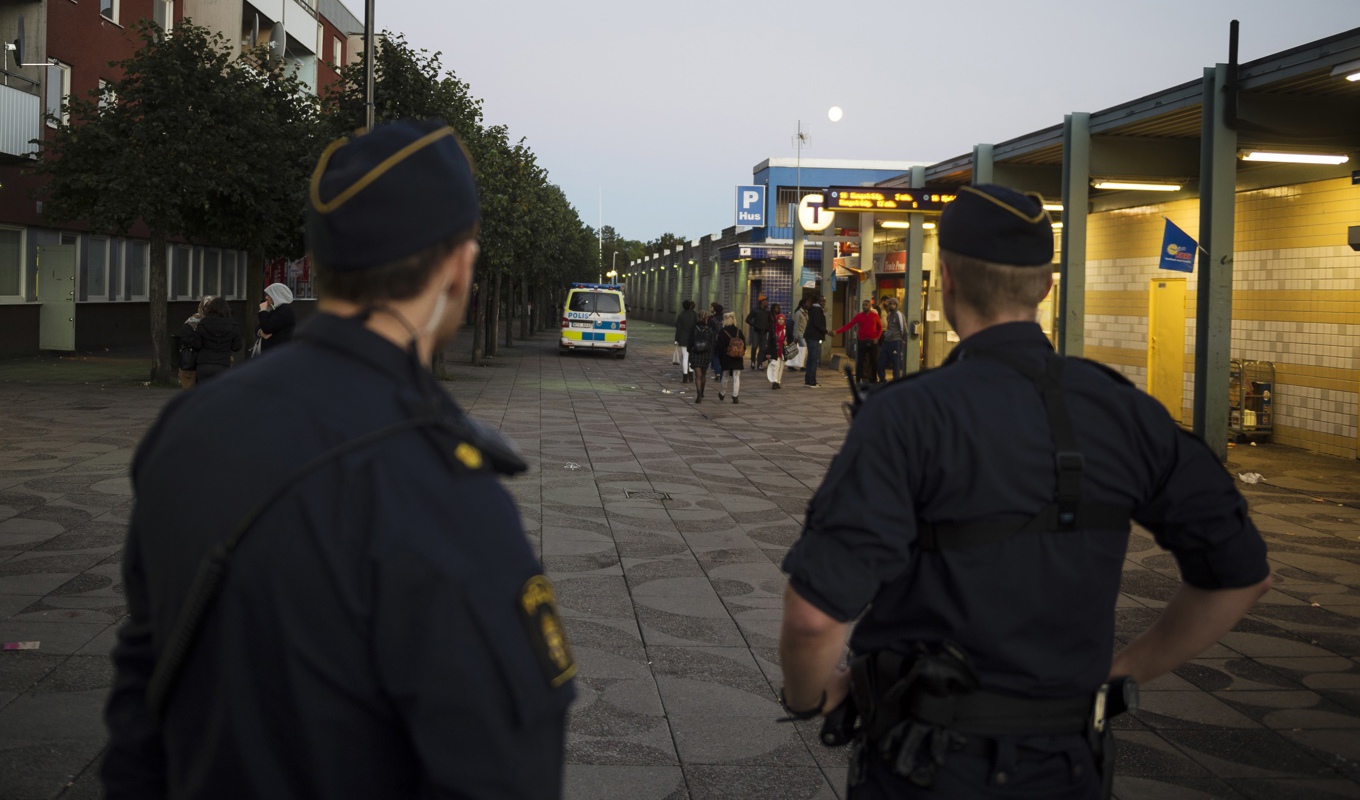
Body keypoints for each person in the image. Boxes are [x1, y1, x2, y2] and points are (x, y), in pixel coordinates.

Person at [103, 120, 575, 799]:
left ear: (320, 267)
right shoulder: (447, 493)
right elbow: (505, 772)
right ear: (457, 267)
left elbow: (137, 714)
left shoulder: (185, 427)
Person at [776, 184, 1271, 800]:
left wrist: (811, 697)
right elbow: (1241, 574)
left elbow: (811, 617)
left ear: (948, 279)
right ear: (1043, 287)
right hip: (1070, 768)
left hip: (924, 768)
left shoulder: (904, 416)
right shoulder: (1124, 410)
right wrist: (1121, 672)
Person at [186, 296, 242, 383]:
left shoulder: (203, 323)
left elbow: (196, 345)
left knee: (204, 393)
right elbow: (237, 347)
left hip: (204, 364)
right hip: (223, 364)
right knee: (219, 393)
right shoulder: (233, 324)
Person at [834, 298, 884, 384]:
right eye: (863, 305)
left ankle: (873, 378)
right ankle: (859, 378)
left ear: (870, 306)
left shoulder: (874, 316)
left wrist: (877, 337)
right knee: (861, 360)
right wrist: (837, 332)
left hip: (872, 341)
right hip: (862, 341)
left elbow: (880, 328)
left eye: (866, 305)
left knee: (873, 360)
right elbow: (849, 325)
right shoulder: (859, 316)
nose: (864, 307)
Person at [176, 296, 213, 389]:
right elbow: (186, 339)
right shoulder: (192, 322)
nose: (208, 310)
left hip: (200, 364)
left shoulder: (213, 322)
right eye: (206, 307)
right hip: (194, 363)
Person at [256, 282, 296, 353]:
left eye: (268, 295)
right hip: (272, 352)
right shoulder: (275, 309)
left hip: (279, 352)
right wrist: (260, 332)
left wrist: (263, 311)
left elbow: (267, 328)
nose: (266, 298)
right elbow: (259, 326)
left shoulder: (285, 311)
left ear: (276, 295)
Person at [714, 311, 745, 404]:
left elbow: (719, 347)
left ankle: (722, 393)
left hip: (726, 357)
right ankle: (735, 396)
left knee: (725, 375)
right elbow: (744, 344)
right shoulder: (739, 331)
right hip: (738, 357)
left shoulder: (722, 332)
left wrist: (720, 358)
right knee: (736, 376)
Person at [878, 296, 907, 381]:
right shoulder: (889, 315)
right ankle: (882, 379)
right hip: (887, 341)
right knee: (881, 361)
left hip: (896, 341)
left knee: (896, 363)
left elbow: (904, 329)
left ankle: (896, 381)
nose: (891, 305)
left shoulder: (899, 315)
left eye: (894, 304)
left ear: (897, 305)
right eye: (890, 303)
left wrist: (902, 339)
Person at [688, 310, 713, 403]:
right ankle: (702, 392)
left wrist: (689, 350)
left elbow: (690, 341)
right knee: (703, 374)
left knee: (697, 375)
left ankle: (698, 394)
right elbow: (712, 342)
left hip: (695, 353)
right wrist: (711, 354)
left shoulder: (694, 328)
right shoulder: (709, 329)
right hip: (705, 354)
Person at [804, 295, 826, 388]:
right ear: (818, 301)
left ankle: (808, 380)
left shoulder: (813, 309)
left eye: (824, 301)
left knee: (810, 358)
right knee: (813, 359)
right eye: (822, 301)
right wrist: (826, 331)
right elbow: (817, 324)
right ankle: (812, 381)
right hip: (814, 337)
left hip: (810, 336)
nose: (824, 303)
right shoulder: (817, 310)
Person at [745, 294, 771, 369]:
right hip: (757, 331)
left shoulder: (768, 311)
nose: (767, 302)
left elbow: (770, 321)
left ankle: (760, 363)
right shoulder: (755, 310)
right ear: (761, 302)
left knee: (762, 348)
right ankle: (753, 361)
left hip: (764, 332)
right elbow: (748, 319)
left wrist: (768, 327)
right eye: (766, 301)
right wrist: (754, 325)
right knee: (754, 347)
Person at [674, 299, 697, 383]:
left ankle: (685, 376)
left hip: (683, 338)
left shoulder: (681, 315)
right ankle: (691, 375)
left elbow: (678, 328)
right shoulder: (694, 315)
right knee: (691, 357)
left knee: (685, 357)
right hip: (693, 338)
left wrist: (676, 339)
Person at [767, 303, 787, 390]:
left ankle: (778, 381)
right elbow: (770, 341)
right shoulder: (773, 330)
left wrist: (787, 342)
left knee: (781, 367)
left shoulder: (786, 330)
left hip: (782, 352)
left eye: (782, 319)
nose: (780, 321)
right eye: (779, 319)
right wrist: (768, 352)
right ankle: (774, 382)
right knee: (775, 366)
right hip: (775, 351)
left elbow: (791, 339)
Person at [792, 298, 810, 372]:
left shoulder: (806, 313)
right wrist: (795, 336)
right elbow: (796, 325)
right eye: (807, 303)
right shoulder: (798, 313)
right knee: (804, 349)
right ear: (803, 304)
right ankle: (803, 366)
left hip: (804, 334)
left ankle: (795, 365)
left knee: (801, 350)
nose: (808, 305)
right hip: (800, 334)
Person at [708, 302, 725, 380]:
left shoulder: (711, 319)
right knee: (723, 356)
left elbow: (708, 330)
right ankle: (722, 372)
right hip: (724, 340)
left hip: (714, 340)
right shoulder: (725, 319)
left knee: (715, 356)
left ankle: (717, 372)